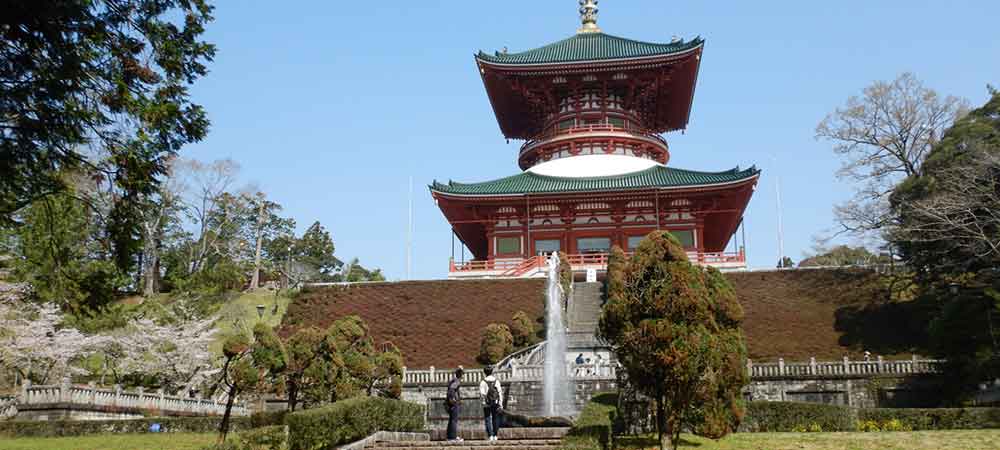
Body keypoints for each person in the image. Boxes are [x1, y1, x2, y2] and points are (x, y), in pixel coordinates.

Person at [479, 366, 504, 441]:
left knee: (487, 418)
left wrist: (483, 401)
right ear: (492, 372)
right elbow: (499, 393)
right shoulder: (496, 381)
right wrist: (500, 403)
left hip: (486, 403)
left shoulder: (483, 382)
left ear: (484, 373)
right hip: (495, 402)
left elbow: (482, 394)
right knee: (495, 418)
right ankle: (495, 435)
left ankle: (490, 435)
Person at [446, 368, 464, 442]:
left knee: (451, 420)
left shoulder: (453, 381)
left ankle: (449, 436)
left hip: (451, 403)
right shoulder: (456, 381)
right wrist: (454, 399)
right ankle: (453, 437)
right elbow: (451, 390)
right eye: (462, 375)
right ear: (460, 375)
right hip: (454, 404)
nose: (463, 376)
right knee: (454, 420)